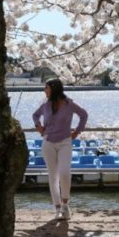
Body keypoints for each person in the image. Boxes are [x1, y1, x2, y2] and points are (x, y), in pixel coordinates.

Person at [32, 78, 88, 221]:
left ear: (54, 89)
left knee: (64, 172)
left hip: (65, 142)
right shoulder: (45, 104)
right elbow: (35, 115)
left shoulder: (69, 104)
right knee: (53, 176)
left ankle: (65, 204)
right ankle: (57, 208)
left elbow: (83, 115)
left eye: (46, 88)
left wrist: (77, 132)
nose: (44, 91)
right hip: (48, 142)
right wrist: (39, 127)